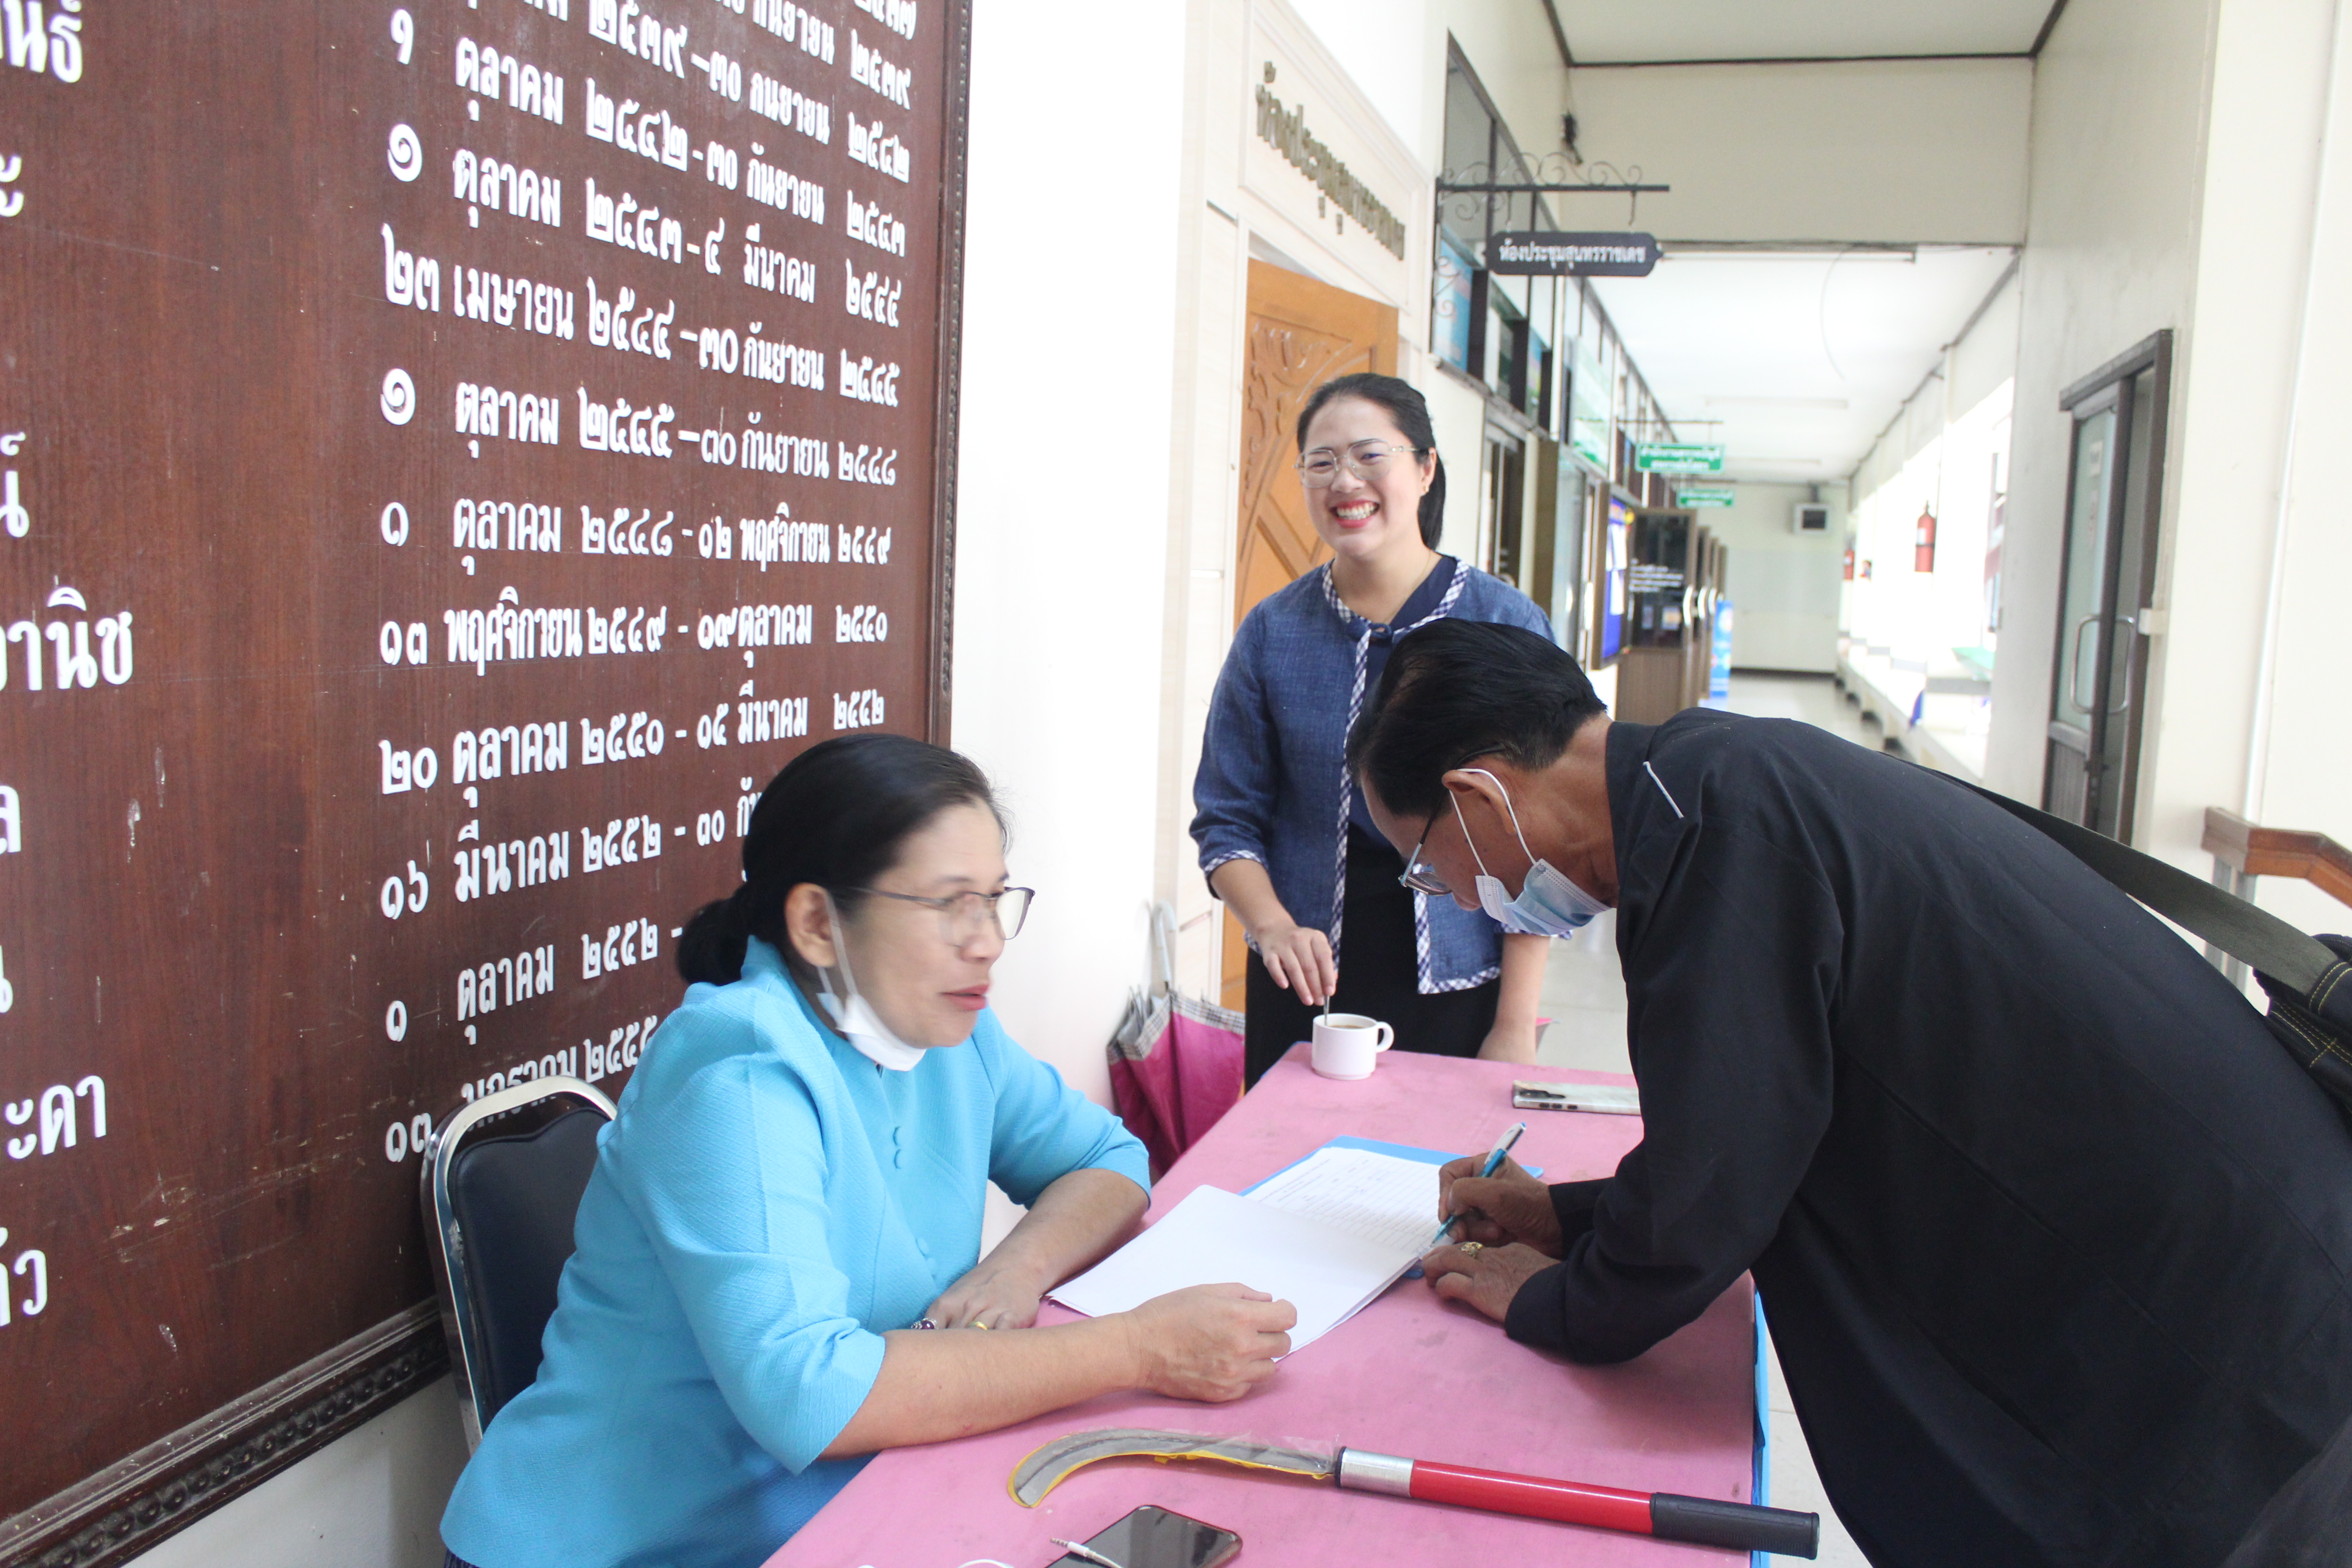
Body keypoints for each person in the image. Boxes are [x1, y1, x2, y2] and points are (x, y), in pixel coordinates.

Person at [1347, 620, 2352, 1568]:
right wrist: (1566, 1214)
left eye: (1431, 869)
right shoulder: (1719, 780)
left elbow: (1709, 1202)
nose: (1461, 896)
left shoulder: (1717, 839)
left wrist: (1557, 1303)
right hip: (2260, 1290)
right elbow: (1765, 1126)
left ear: (1477, 800)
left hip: (2258, 1373)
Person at [440, 736, 1296, 1568]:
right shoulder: (736, 1072)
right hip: (638, 1545)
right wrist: (1136, 1350)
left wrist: (1017, 1270)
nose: (989, 940)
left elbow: (1109, 1162)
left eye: (997, 899)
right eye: (949, 905)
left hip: (844, 1511)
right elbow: (810, 1392)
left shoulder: (950, 1031)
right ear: (816, 921)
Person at [1191, 372, 1556, 1085]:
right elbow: (1226, 822)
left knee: (1442, 1180)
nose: (1344, 481)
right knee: (1289, 1177)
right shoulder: (1273, 631)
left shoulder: (1506, 624)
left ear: (1424, 469)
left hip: (1461, 977)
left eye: (1369, 456)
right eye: (1321, 462)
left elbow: (1541, 844)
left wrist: (1515, 1024)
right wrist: (1269, 926)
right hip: (1302, 979)